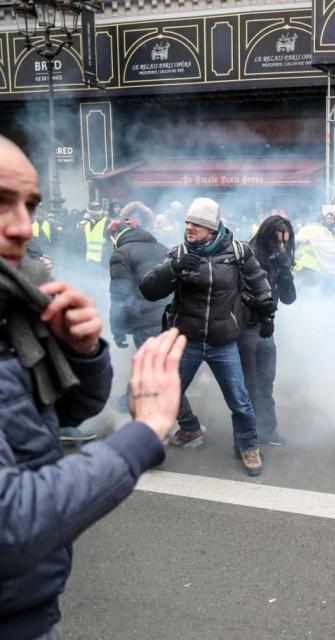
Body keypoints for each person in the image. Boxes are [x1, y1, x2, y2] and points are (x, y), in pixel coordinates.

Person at [0, 135, 188, 640]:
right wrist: (144, 432)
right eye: (1, 202)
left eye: (30, 205)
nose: (23, 226)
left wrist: (83, 354)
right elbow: (10, 524)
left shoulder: (10, 305)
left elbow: (60, 412)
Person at [139, 197, 274, 476]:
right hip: (185, 341)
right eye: (187, 222)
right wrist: (172, 269)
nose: (189, 227)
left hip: (222, 341)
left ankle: (248, 447)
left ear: (212, 230)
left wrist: (268, 314)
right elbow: (148, 289)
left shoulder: (238, 252)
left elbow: (258, 282)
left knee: (239, 399)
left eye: (196, 224)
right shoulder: (178, 253)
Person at [240, 215, 296, 446]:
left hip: (265, 328)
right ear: (266, 238)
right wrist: (262, 312)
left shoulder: (278, 258)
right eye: (278, 242)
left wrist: (285, 270)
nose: (282, 247)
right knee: (250, 383)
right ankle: (247, 433)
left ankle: (267, 429)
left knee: (265, 379)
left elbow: (289, 298)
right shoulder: (249, 255)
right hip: (246, 327)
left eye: (286, 242)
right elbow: (242, 294)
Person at [108, 218, 170, 350]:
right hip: (170, 320)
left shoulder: (121, 253)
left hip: (144, 323)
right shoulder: (164, 248)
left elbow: (120, 297)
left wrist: (118, 331)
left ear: (115, 235)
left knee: (150, 367)